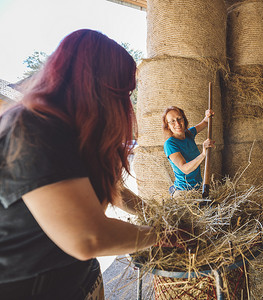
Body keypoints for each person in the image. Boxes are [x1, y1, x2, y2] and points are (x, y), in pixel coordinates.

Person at [0, 29, 179, 300]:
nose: (125, 104)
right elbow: (88, 238)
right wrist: (158, 235)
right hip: (35, 289)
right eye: (122, 92)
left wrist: (154, 212)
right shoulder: (32, 129)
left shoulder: (74, 130)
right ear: (96, 86)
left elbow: (114, 190)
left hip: (81, 280)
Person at [162, 106, 215, 196]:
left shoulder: (189, 134)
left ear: (184, 120)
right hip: (183, 193)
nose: (178, 124)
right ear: (168, 126)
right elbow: (185, 169)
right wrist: (203, 154)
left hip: (198, 189)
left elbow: (206, 122)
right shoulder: (170, 144)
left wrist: (208, 115)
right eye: (172, 121)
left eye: (179, 119)